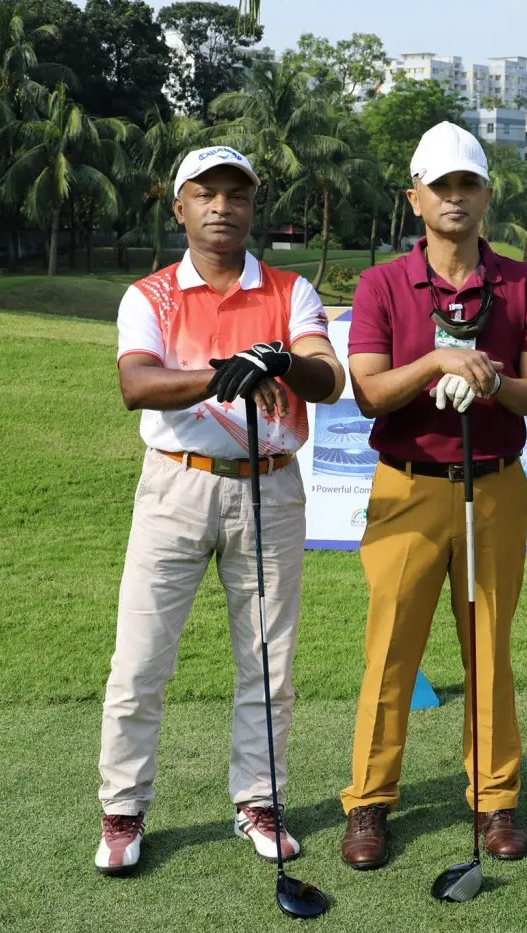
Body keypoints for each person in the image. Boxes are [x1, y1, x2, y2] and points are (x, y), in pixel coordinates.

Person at [94, 146, 346, 875]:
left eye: (236, 194)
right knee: (140, 660)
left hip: (271, 486)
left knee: (268, 661)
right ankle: (123, 808)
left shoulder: (291, 290)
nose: (221, 207)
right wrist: (221, 375)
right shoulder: (151, 295)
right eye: (205, 194)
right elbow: (137, 385)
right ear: (180, 208)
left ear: (252, 206)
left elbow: (327, 378)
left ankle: (259, 800)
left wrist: (280, 361)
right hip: (176, 486)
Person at [338, 121, 527, 869]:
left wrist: (493, 380)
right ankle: (369, 800)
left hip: (495, 485)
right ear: (416, 199)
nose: (455, 197)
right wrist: (437, 360)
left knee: (489, 647)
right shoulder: (381, 284)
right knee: (391, 650)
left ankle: (495, 797)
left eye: (468, 184)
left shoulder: (523, 283)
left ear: (487, 195)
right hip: (408, 486)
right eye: (441, 186)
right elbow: (370, 393)